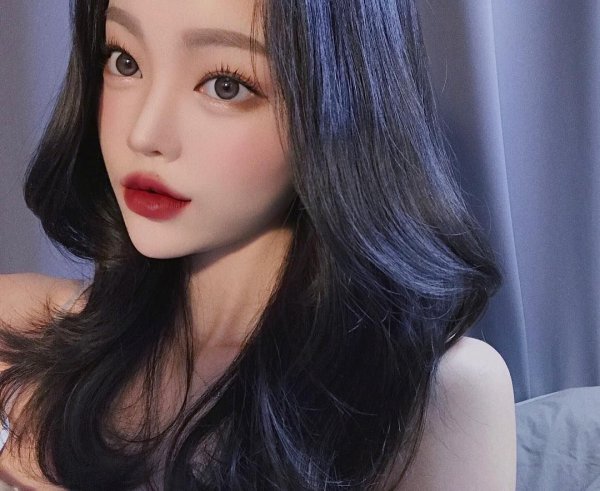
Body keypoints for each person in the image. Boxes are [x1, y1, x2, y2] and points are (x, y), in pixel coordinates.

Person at [0, 0, 516, 489]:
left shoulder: (438, 393)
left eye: (226, 86)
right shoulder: (17, 326)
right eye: (125, 61)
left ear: (341, 104)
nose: (145, 134)